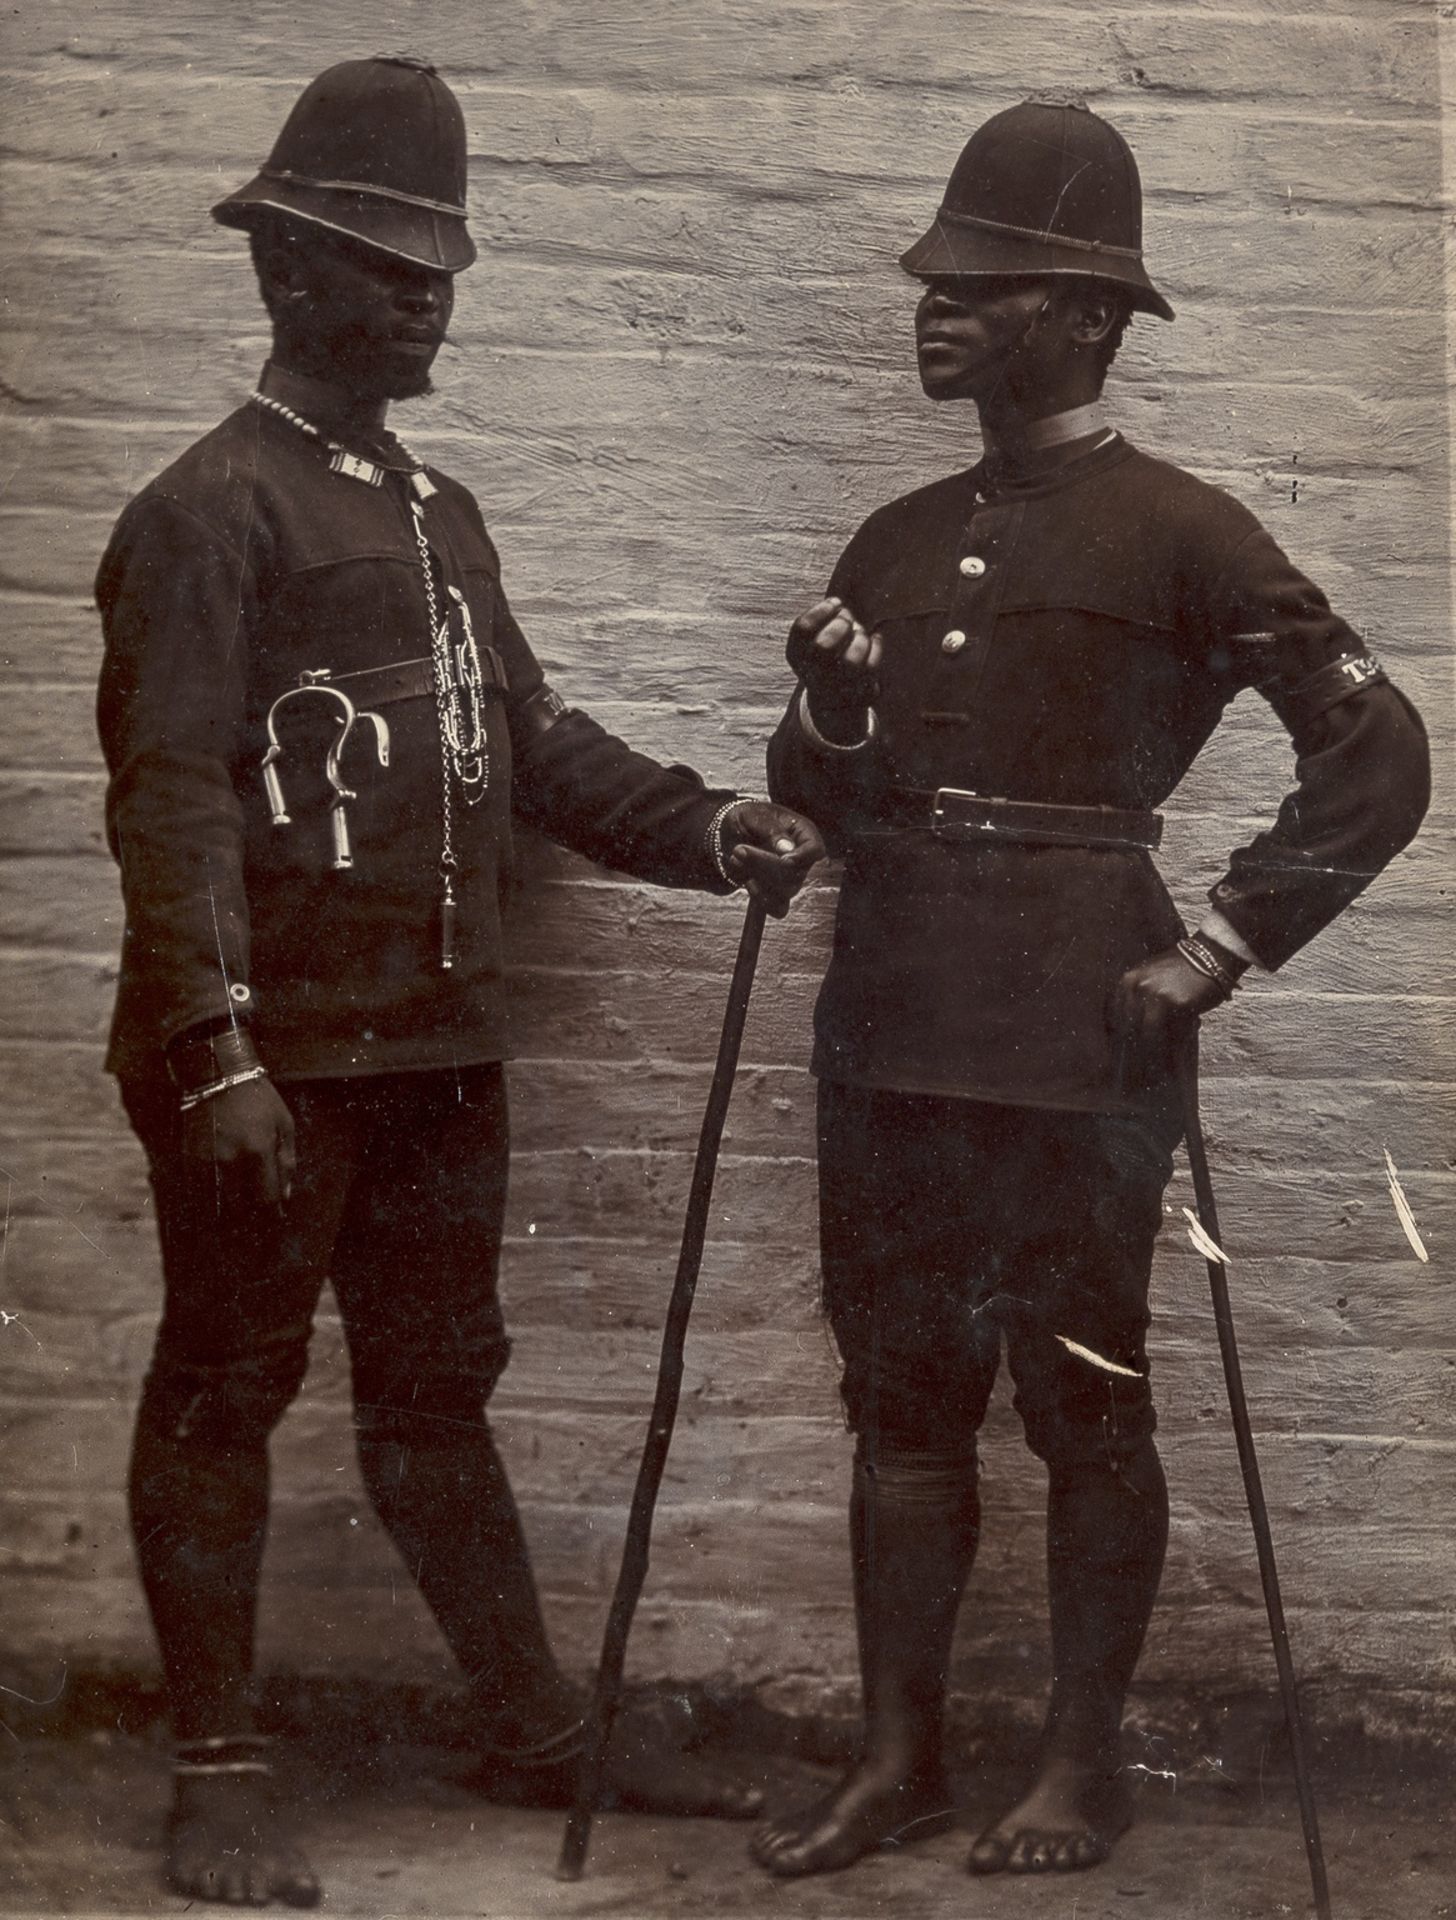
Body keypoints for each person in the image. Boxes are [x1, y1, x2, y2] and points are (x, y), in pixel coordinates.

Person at [95, 54, 824, 1909]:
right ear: (285, 273)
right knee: (222, 1388)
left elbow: (537, 748)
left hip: (432, 1051)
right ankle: (219, 1768)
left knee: (433, 1396)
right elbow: (169, 800)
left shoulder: (440, 513)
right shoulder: (207, 513)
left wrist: (708, 823)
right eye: (382, 259)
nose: (425, 293)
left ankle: (526, 1731)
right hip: (267, 1065)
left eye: (441, 264)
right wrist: (210, 1049)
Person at [754, 97, 1429, 1884]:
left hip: (1084, 1032)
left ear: (1090, 318)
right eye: (938, 279)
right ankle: (897, 1759)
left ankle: (1077, 1770)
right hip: (890, 1020)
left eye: (982, 286)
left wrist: (1216, 947)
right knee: (899, 1405)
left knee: (1081, 1398)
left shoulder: (1187, 534)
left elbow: (1378, 753)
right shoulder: (889, 541)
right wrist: (823, 706)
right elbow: (819, 798)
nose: (936, 308)